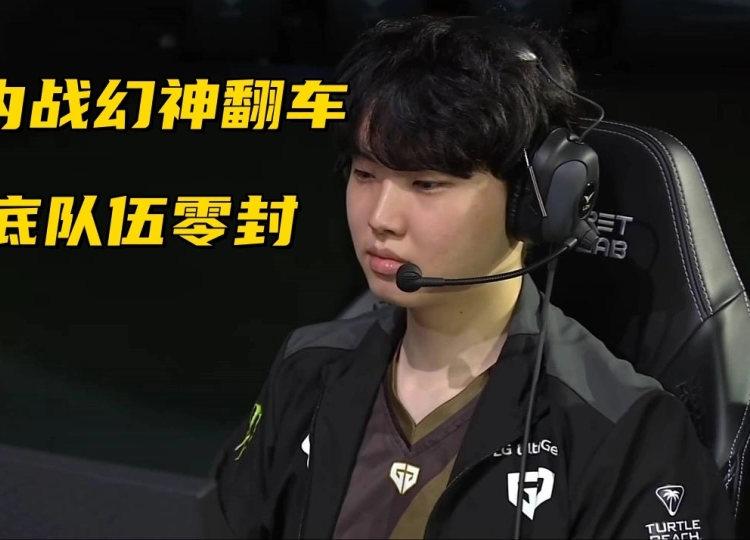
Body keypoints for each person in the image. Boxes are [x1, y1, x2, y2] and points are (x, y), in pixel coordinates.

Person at [210, 15, 736, 539]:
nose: (381, 218)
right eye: (365, 174)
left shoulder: (627, 431)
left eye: (426, 184)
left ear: (536, 201)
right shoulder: (307, 368)